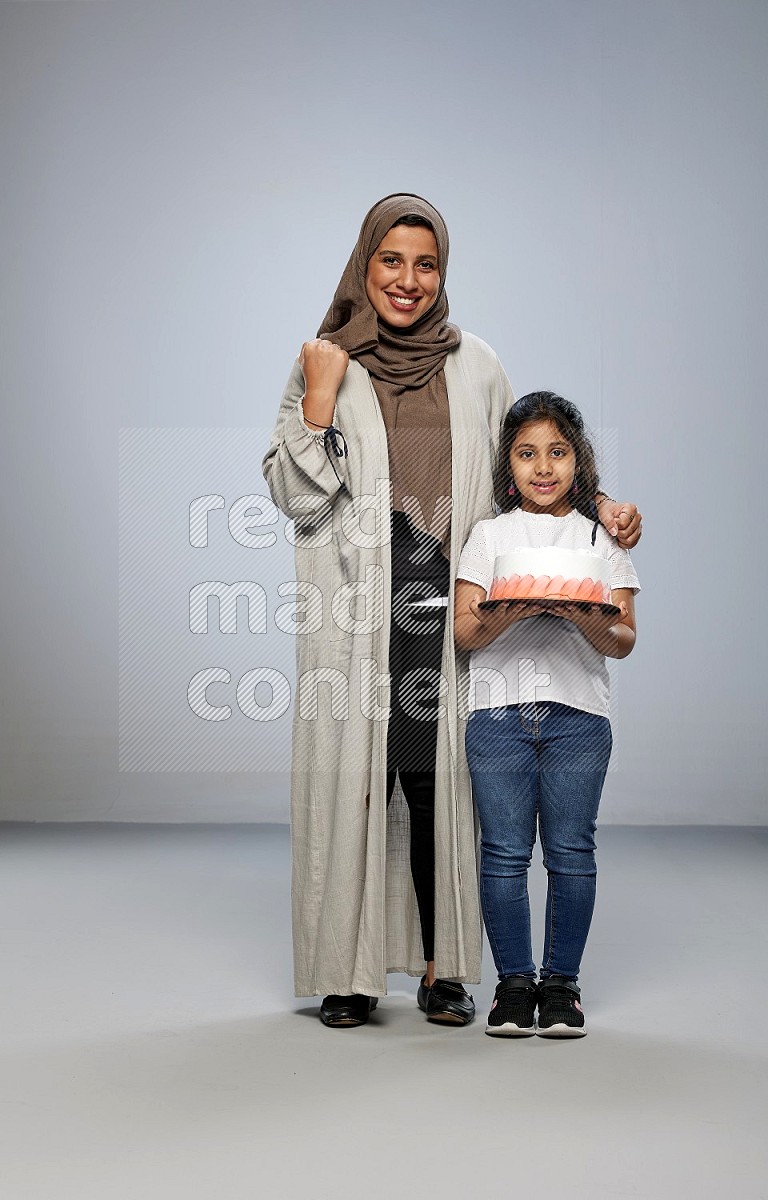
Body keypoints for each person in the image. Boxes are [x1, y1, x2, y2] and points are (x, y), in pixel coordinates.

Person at [262, 195, 642, 1029]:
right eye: (390, 260)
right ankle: (348, 972)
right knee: (357, 787)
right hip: (355, 612)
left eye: (425, 263)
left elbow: (524, 473)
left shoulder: (477, 365)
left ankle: (443, 969)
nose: (408, 280)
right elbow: (294, 494)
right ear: (365, 263)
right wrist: (321, 399)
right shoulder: (324, 361)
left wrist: (601, 504)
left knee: (437, 789)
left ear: (444, 274)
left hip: (448, 606)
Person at [454, 391, 640, 1037]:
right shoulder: (489, 535)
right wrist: (509, 612)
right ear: (509, 464)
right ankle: (513, 986)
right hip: (498, 714)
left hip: (579, 716)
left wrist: (584, 618)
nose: (543, 466)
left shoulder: (599, 536)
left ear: (578, 462)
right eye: (528, 453)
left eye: (557, 452)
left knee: (570, 852)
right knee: (504, 853)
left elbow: (624, 639)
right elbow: (464, 634)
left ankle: (561, 987)